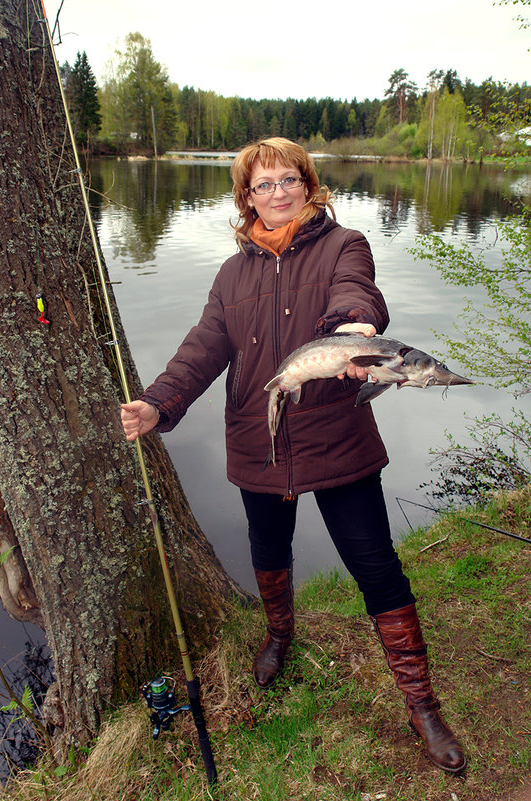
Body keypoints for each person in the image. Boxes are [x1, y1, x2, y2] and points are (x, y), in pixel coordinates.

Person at [120, 137, 465, 774]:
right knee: (268, 550)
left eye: (288, 180)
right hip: (260, 435)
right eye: (263, 185)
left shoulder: (344, 244)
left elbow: (356, 294)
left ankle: (421, 704)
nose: (277, 193)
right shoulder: (231, 274)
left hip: (337, 436)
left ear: (308, 185)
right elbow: (203, 348)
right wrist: (157, 405)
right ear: (245, 197)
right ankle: (280, 634)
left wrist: (357, 329)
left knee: (375, 565)